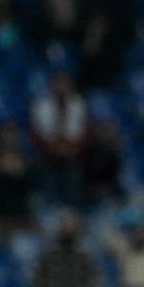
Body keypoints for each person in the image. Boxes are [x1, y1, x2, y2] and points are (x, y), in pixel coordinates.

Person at [30, 71, 90, 203]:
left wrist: (73, 148)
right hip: (48, 154)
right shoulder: (40, 106)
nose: (62, 88)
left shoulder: (80, 105)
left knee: (76, 171)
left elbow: (87, 132)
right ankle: (51, 207)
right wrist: (51, 148)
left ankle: (73, 207)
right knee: (45, 169)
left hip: (74, 154)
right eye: (59, 84)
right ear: (51, 86)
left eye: (65, 84)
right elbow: (34, 134)